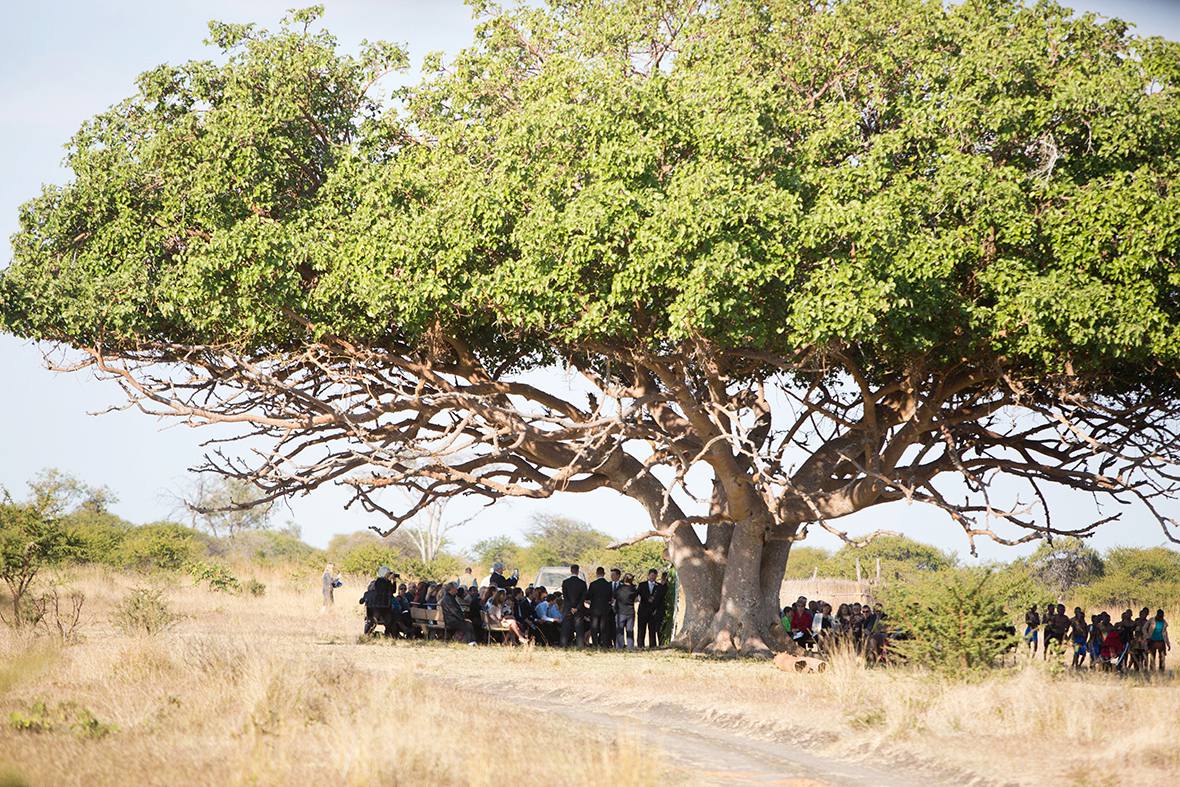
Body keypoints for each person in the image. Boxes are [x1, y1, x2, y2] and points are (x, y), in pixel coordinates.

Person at [361, 566, 396, 637]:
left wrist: (394, 581)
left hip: (383, 606)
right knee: (376, 620)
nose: (389, 575)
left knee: (388, 620)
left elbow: (393, 590)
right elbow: (388, 589)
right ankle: (368, 634)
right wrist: (389, 580)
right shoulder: (380, 581)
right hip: (379, 606)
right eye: (388, 573)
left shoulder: (385, 582)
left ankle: (387, 634)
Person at [636, 569, 665, 648]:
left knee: (652, 630)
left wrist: (657, 609)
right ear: (648, 575)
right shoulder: (642, 585)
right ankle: (640, 645)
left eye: (654, 576)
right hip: (643, 611)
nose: (653, 577)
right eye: (651, 575)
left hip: (653, 612)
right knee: (641, 629)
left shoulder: (659, 586)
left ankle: (653, 646)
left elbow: (661, 599)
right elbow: (637, 595)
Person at [586, 567, 614, 648]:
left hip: (594, 608)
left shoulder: (593, 584)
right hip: (605, 608)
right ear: (604, 574)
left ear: (597, 574)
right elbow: (610, 597)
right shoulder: (608, 585)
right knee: (604, 627)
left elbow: (588, 596)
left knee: (594, 627)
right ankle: (604, 643)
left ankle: (595, 644)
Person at [560, 564, 587, 647]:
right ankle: (580, 644)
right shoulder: (582, 583)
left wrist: (570, 607)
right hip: (578, 609)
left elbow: (565, 596)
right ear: (578, 571)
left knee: (566, 626)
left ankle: (564, 643)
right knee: (579, 627)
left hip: (568, 608)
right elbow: (583, 597)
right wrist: (577, 607)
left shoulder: (565, 582)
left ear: (571, 571)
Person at [614, 573, 638, 648]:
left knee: (619, 631)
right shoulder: (633, 590)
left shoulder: (619, 589)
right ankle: (630, 646)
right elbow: (636, 599)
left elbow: (614, 597)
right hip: (630, 612)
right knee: (630, 630)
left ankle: (620, 646)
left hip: (620, 611)